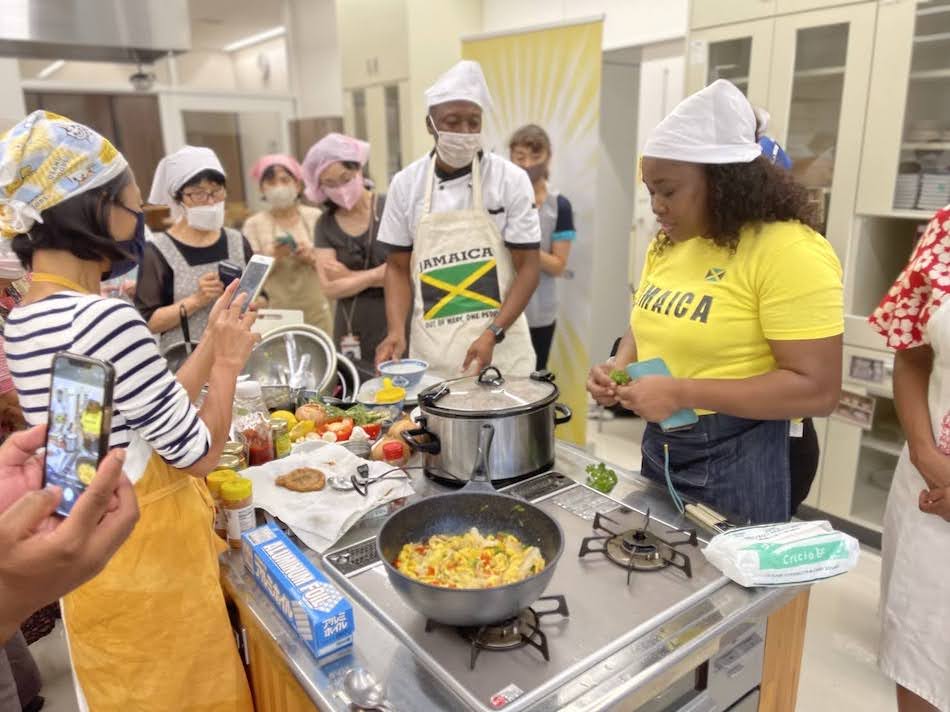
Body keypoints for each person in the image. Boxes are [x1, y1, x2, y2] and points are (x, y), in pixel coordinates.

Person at [0, 111, 256, 711]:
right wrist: (227, 366)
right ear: (91, 210)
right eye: (132, 205)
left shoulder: (25, 318)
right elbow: (197, 454)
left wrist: (212, 342)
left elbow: (147, 407)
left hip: (93, 568)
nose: (140, 221)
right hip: (151, 563)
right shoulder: (105, 317)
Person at [586, 80, 843, 525]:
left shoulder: (788, 251)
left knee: (726, 590)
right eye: (650, 191)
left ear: (724, 182)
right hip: (667, 443)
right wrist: (620, 363)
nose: (657, 206)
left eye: (668, 190)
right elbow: (645, 320)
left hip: (745, 453)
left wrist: (682, 391)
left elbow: (817, 389)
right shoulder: (670, 243)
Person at [375, 60, 541, 378]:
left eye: (473, 122)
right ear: (430, 124)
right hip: (433, 360)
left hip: (501, 358)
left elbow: (529, 267)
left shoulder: (510, 180)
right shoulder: (406, 184)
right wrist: (396, 330)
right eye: (452, 122)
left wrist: (493, 332)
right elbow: (396, 267)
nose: (464, 132)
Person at [869, 205, 950, 712]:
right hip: (930, 488)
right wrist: (924, 450)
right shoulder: (947, 229)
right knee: (921, 655)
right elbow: (913, 353)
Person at [135, 145, 257, 355]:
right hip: (185, 361)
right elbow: (148, 322)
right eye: (199, 194)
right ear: (178, 198)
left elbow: (261, 297)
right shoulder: (157, 251)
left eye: (216, 191)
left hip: (239, 355)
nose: (210, 201)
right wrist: (197, 300)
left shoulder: (237, 240)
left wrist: (245, 298)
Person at [304, 134, 388, 375]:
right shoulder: (325, 224)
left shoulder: (388, 207)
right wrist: (378, 275)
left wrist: (350, 275)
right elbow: (329, 288)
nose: (340, 188)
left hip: (396, 318)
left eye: (345, 178)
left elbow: (405, 271)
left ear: (359, 169)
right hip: (351, 328)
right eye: (330, 183)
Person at [508, 124, 576, 371]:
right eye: (520, 157)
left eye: (535, 156)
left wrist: (523, 245)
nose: (527, 164)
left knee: (534, 379)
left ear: (548, 156)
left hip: (539, 313)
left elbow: (558, 266)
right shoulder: (498, 202)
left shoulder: (560, 206)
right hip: (499, 311)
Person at [242, 154, 333, 334]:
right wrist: (272, 255)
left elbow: (331, 266)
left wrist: (310, 256)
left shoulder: (315, 217)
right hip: (274, 312)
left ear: (297, 184)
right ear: (262, 189)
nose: (279, 187)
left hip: (315, 308)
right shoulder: (253, 224)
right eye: (271, 182)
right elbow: (249, 276)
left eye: (284, 180)